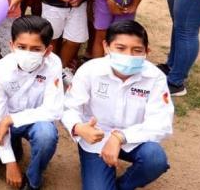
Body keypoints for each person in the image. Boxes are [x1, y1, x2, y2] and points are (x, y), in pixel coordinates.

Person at [62, 20, 173, 190]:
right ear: (106, 46)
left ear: (147, 52)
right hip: (96, 140)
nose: (128, 55)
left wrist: (119, 137)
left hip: (134, 138)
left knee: (155, 159)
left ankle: (123, 186)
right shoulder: (89, 71)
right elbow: (69, 107)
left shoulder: (155, 77)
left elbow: (161, 123)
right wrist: (78, 127)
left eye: (137, 50)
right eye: (120, 48)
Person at [0, 15, 63, 189]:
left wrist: (11, 119)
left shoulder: (54, 64)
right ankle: (14, 146)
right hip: (4, 120)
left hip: (35, 121)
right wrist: (10, 162)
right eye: (22, 47)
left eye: (36, 49)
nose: (28, 53)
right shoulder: (1, 69)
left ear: (48, 50)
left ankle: (33, 180)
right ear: (11, 45)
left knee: (47, 135)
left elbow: (54, 110)